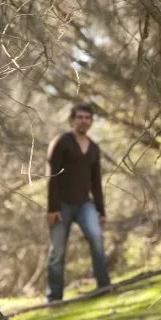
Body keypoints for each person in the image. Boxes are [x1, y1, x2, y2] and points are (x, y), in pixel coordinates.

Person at [45, 103, 112, 302]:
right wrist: (52, 207)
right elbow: (52, 176)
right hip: (61, 205)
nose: (84, 121)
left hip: (85, 204)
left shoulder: (93, 148)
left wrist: (101, 210)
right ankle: (54, 297)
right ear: (72, 120)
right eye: (80, 117)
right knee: (57, 252)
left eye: (88, 118)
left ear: (91, 121)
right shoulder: (61, 142)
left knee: (96, 239)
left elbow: (96, 181)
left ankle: (104, 287)